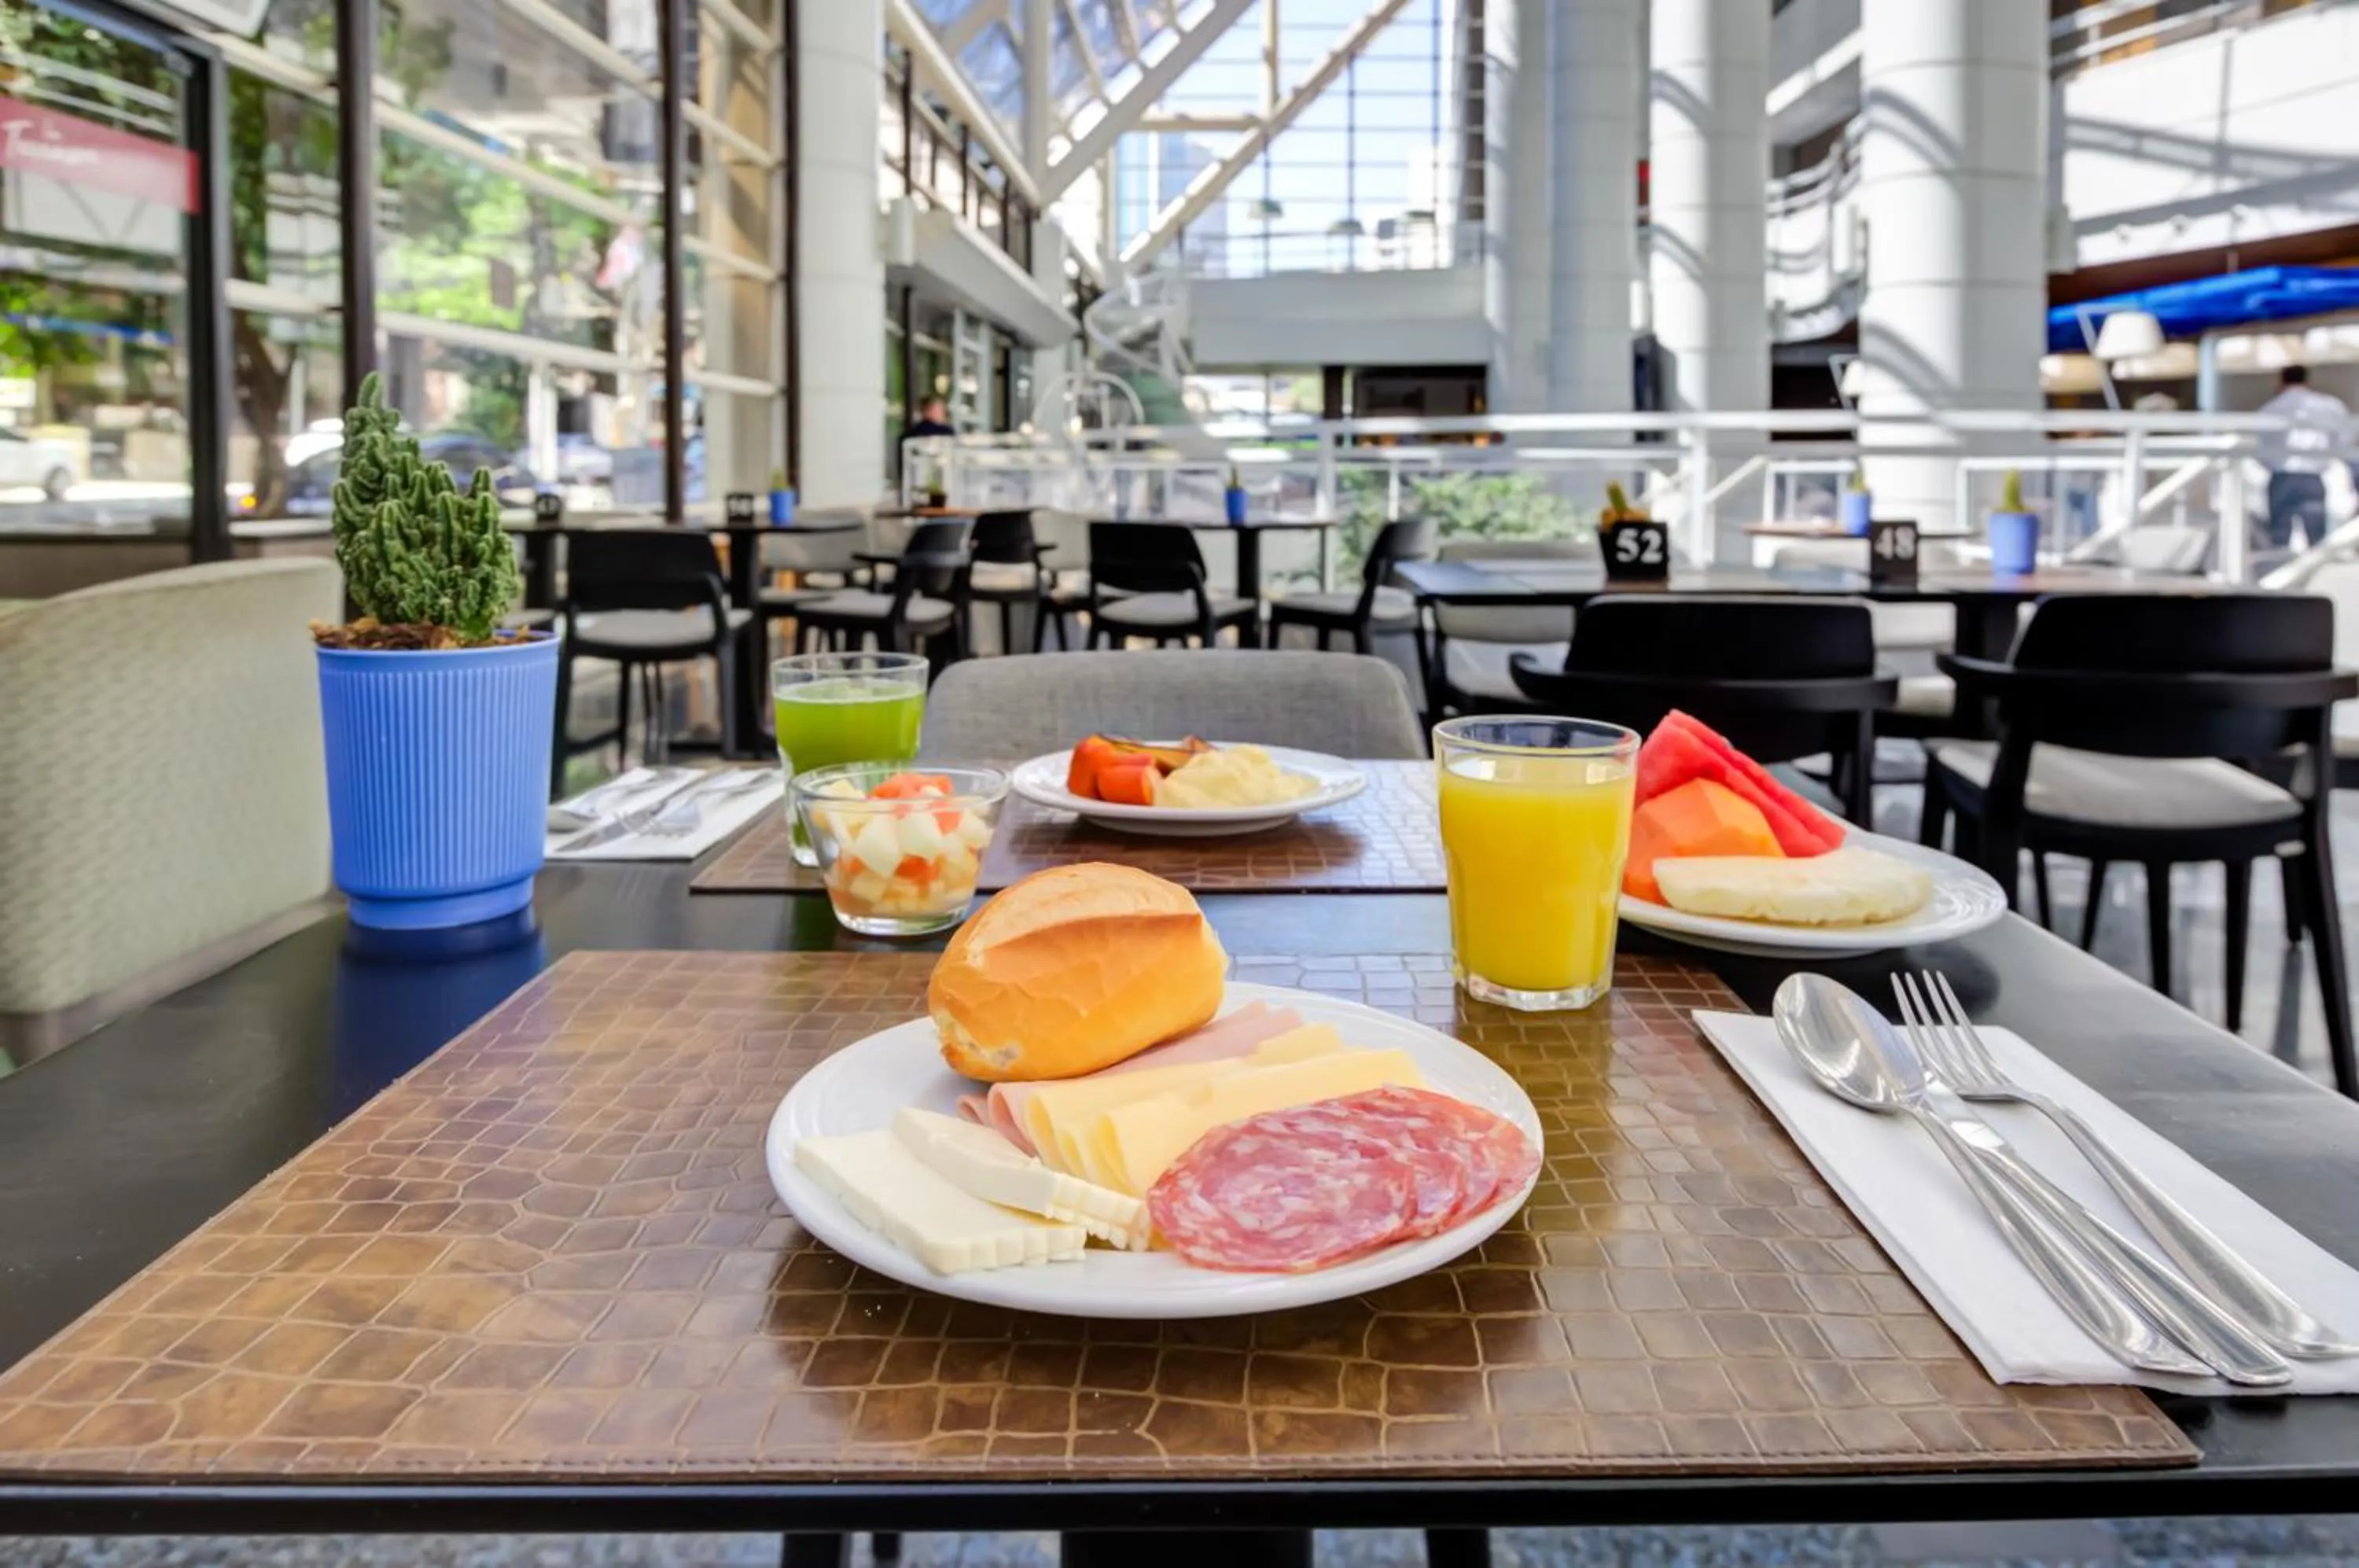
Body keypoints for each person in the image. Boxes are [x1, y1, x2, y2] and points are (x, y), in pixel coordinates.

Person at [2258, 366, 2348, 550]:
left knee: (2279, 537)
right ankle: (2318, 577)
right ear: (2306, 380)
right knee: (2316, 537)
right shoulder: (2328, 406)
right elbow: (2344, 437)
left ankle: (2278, 574)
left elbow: (2262, 446)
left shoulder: (2271, 408)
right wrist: (2328, 455)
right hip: (2312, 478)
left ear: (2281, 381)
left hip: (2282, 477)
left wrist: (2270, 464)